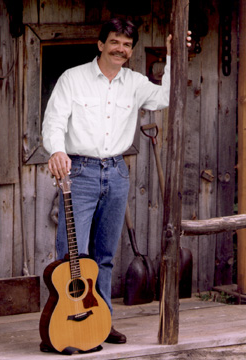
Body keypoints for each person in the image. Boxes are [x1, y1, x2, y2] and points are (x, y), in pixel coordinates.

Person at [42, 18, 191, 345]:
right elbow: (53, 121)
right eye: (115, 42)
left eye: (126, 45)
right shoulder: (73, 79)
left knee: (105, 255)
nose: (121, 49)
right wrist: (56, 150)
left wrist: (173, 55)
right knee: (72, 256)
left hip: (117, 171)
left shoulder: (135, 83)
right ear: (100, 44)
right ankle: (64, 324)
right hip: (79, 171)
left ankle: (101, 320)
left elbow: (165, 98)